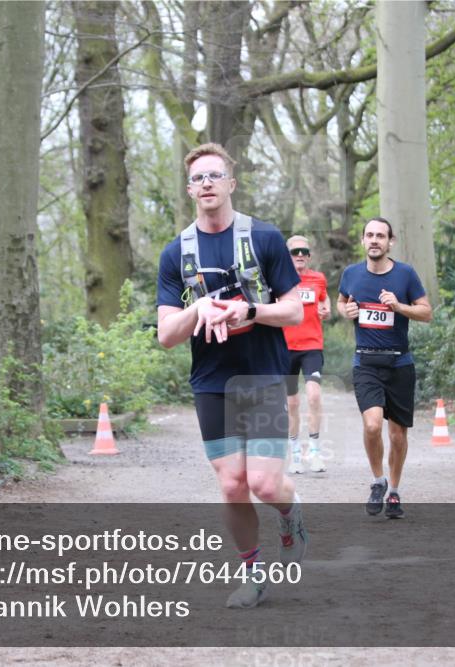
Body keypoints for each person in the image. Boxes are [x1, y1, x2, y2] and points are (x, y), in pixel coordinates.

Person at [156, 143, 308, 608]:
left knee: (263, 484)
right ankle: (253, 574)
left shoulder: (264, 238)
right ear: (189, 189)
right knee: (231, 485)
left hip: (262, 374)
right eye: (198, 178)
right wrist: (197, 306)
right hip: (212, 381)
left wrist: (251, 310)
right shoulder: (175, 253)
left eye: (214, 176)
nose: (206, 184)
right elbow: (166, 334)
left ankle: (289, 510)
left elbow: (296, 311)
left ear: (230, 183)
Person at [336, 217, 432, 519]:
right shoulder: (351, 274)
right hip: (365, 361)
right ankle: (378, 480)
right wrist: (345, 310)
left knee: (397, 435)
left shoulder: (405, 275)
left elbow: (426, 312)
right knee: (373, 424)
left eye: (381, 236)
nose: (374, 240)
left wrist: (399, 307)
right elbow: (340, 301)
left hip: (399, 363)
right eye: (369, 235)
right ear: (363, 241)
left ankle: (394, 491)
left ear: (390, 242)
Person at [282, 235, 331, 474]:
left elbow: (324, 298)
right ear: (287, 256)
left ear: (309, 256)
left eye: (304, 251)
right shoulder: (278, 280)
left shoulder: (318, 279)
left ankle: (314, 451)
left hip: (312, 346)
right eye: (294, 252)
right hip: (286, 349)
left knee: (313, 396)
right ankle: (295, 456)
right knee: (292, 404)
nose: (299, 255)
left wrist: (327, 307)